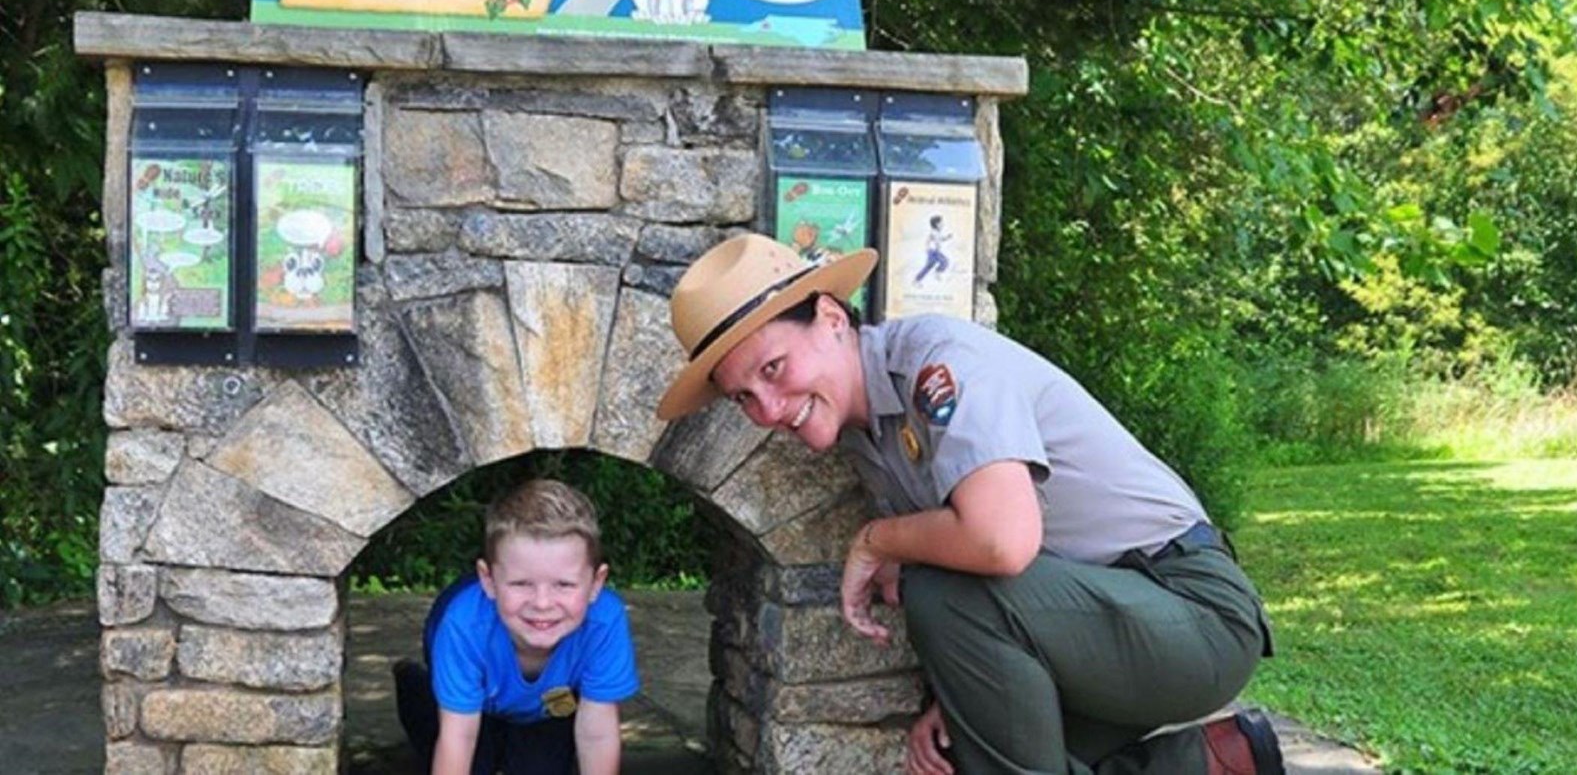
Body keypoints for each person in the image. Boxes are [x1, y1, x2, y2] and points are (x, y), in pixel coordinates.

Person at [655, 234, 1282, 775]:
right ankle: (1219, 759)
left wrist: (878, 539)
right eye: (743, 398)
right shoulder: (865, 436)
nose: (766, 410)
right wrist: (962, 699)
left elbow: (1001, 542)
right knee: (966, 755)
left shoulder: (939, 363)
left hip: (1191, 612)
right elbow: (1006, 605)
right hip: (1102, 629)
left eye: (773, 368)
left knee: (936, 591)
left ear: (831, 318)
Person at [393, 480, 639, 775]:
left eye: (564, 585)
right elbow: (458, 736)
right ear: (488, 580)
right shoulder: (463, 626)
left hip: (542, 706)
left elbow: (597, 732)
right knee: (474, 760)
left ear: (595, 584)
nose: (543, 603)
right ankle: (411, 682)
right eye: (521, 584)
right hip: (468, 689)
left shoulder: (603, 621)